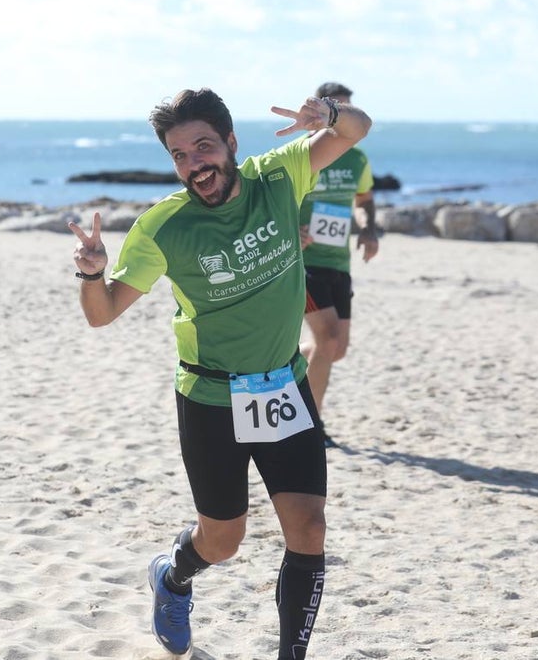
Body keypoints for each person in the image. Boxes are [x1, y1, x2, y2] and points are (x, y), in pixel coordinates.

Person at [68, 88, 371, 659]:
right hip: (211, 398)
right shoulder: (164, 226)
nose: (193, 165)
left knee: (308, 527)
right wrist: (91, 274)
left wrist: (328, 115)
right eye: (179, 155)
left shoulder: (278, 177)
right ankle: (173, 577)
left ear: (231, 143)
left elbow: (357, 130)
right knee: (224, 540)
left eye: (203, 147)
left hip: (283, 385)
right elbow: (103, 314)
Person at [298, 82, 379, 444]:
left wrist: (369, 230)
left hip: (338, 262)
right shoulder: (303, 153)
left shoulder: (357, 159)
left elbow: (364, 201)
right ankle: (311, 425)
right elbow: (277, 200)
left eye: (347, 111)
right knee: (327, 339)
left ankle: (280, 365)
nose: (341, 120)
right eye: (335, 111)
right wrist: (290, 230)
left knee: (335, 349)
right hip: (304, 261)